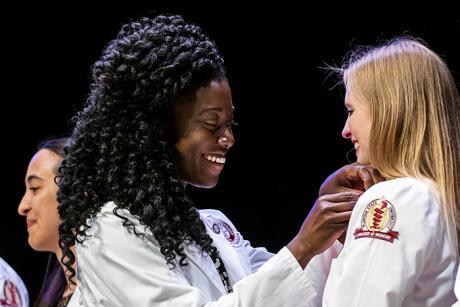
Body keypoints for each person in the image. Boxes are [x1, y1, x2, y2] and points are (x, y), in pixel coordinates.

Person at [56, 14, 380, 306]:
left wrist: (326, 216)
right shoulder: (110, 230)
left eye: (230, 124)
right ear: (156, 129)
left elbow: (289, 291)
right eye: (212, 125)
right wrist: (305, 244)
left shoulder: (212, 228)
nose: (228, 139)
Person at [320, 37, 460, 306]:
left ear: (388, 111)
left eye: (351, 111)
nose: (345, 130)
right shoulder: (436, 197)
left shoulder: (395, 196)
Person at [18, 138, 75, 307]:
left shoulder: (109, 291)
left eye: (34, 188)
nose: (22, 207)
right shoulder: (56, 295)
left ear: (74, 191)